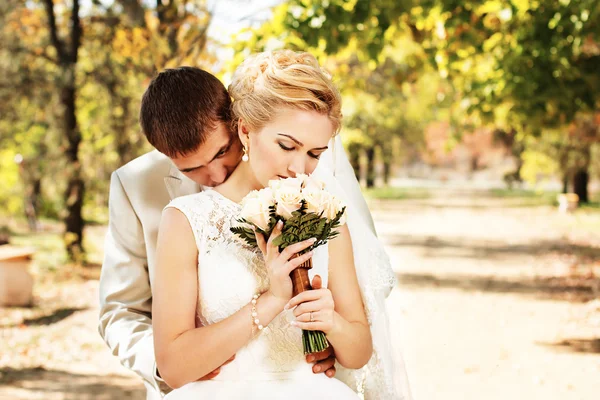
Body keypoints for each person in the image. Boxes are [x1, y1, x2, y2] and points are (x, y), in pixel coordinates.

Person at [97, 64, 392, 398]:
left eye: (222, 152)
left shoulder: (317, 204)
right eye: (192, 168)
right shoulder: (149, 194)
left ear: (237, 127)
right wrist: (175, 364)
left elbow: (356, 342)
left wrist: (327, 335)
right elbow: (121, 312)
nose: (215, 173)